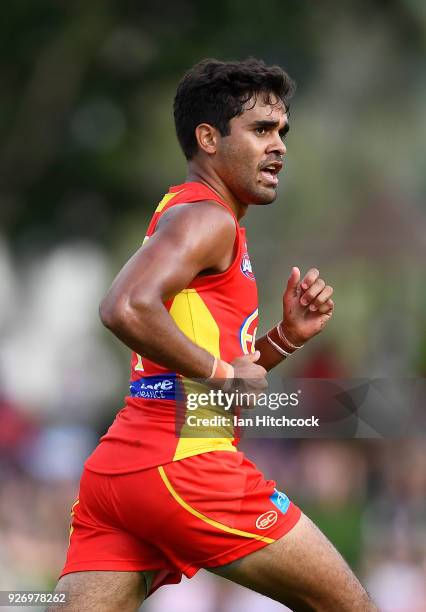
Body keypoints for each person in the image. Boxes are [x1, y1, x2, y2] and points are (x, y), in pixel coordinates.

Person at [49, 58, 376, 611]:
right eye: (261, 130)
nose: (280, 146)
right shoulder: (208, 220)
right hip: (183, 465)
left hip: (121, 468)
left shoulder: (192, 217)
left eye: (282, 132)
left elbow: (202, 388)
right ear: (208, 138)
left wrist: (283, 340)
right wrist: (223, 371)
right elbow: (124, 308)